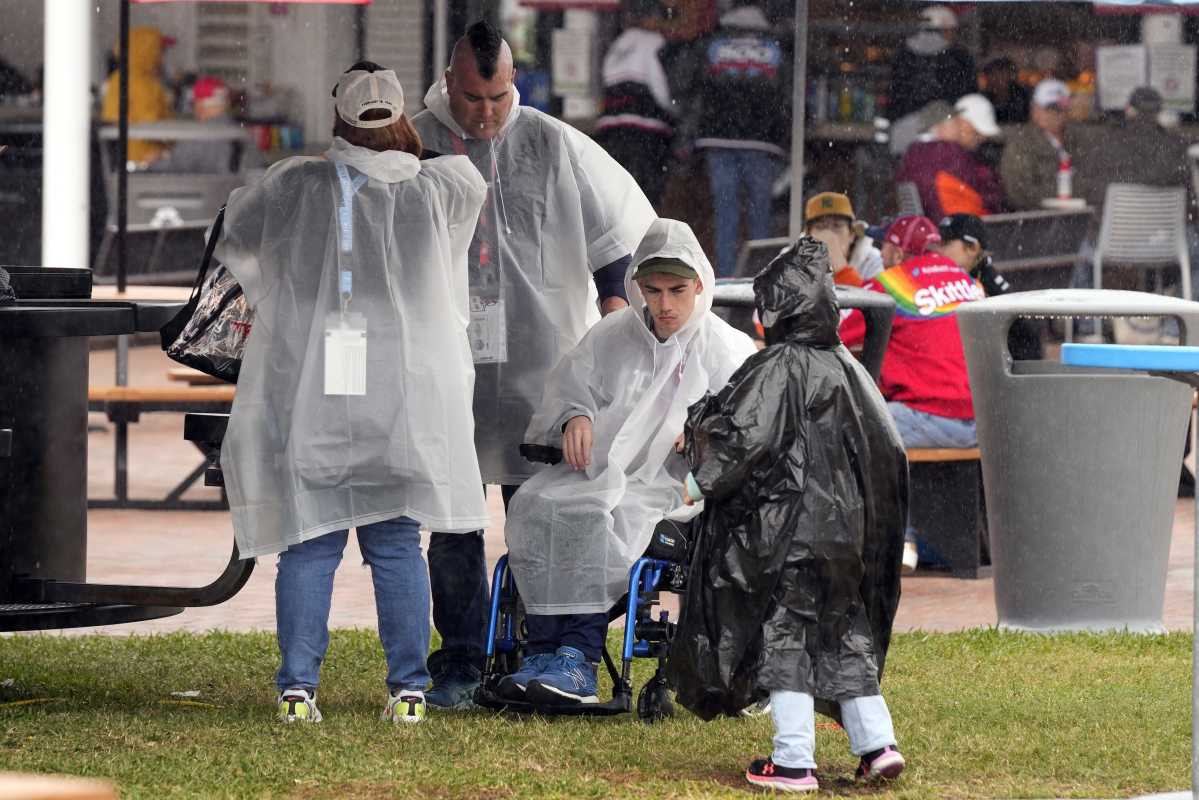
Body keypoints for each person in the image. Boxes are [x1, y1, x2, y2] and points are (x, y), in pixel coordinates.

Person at [214, 63, 489, 724]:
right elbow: (454, 167)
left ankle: (297, 687)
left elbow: (235, 228)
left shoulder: (298, 186)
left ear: (336, 118)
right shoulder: (442, 189)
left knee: (309, 542)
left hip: (321, 392)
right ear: (400, 118)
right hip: (405, 397)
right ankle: (409, 690)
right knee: (395, 542)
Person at [410, 21, 655, 708]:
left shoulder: (551, 141)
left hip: (539, 363)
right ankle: (459, 657)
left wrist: (615, 313)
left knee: (542, 512)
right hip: (446, 363)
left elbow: (614, 237)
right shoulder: (415, 140)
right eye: (471, 97)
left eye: (497, 96)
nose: (485, 112)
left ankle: (546, 647)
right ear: (448, 81)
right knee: (453, 522)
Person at [668, 236, 908, 792]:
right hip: (846, 541)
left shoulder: (776, 366)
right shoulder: (848, 370)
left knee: (787, 644)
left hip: (787, 539)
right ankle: (878, 744)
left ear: (778, 306)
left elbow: (742, 435)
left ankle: (793, 760)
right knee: (844, 635)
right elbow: (887, 450)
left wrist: (698, 478)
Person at [499, 218, 755, 705]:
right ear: (636, 286)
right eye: (653, 290)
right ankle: (542, 652)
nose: (664, 304)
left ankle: (578, 658)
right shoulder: (613, 335)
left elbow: (750, 424)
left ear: (700, 285)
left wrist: (704, 434)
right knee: (538, 504)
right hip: (598, 473)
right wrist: (575, 416)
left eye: (678, 290)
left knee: (603, 518)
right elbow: (572, 387)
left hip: (673, 488)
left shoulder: (724, 348)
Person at [840, 215, 982, 572]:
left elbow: (832, 331)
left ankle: (878, 549)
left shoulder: (891, 283)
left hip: (932, 416)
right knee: (888, 421)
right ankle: (930, 554)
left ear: (895, 250)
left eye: (884, 245)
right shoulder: (965, 280)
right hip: (981, 420)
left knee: (843, 429)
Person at [675, 0, 790, 278]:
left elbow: (686, 84)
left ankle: (725, 283)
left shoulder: (712, 44)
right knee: (760, 217)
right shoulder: (775, 48)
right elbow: (789, 93)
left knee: (726, 216)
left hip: (718, 136)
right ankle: (760, 282)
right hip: (762, 140)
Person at [594, 5, 676, 208]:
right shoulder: (655, 42)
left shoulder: (617, 45)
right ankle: (645, 236)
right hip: (645, 128)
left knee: (616, 193)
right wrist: (675, 110)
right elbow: (660, 88)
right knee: (647, 193)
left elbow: (604, 81)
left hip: (611, 128)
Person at [937, 213, 1042, 360]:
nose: (938, 251)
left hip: (997, 371)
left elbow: (1029, 336)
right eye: (938, 244)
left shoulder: (991, 286)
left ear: (972, 248)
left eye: (945, 243)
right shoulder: (948, 277)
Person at [896, 93, 1004, 222]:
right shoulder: (949, 155)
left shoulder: (914, 155)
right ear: (957, 123)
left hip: (933, 232)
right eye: (976, 132)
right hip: (957, 235)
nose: (981, 139)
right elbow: (990, 199)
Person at [886, 5, 976, 153]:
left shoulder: (902, 56)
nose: (953, 36)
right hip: (946, 134)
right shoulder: (959, 58)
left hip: (903, 135)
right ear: (942, 29)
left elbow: (894, 99)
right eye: (951, 31)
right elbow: (967, 99)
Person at [999, 79, 1078, 211]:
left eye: (1060, 109)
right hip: (1039, 222)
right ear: (1035, 110)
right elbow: (1018, 193)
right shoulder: (1021, 144)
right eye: (1050, 108)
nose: (1055, 114)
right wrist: (1067, 191)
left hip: (1076, 217)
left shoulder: (1076, 141)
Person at [101, 26, 174, 165]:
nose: (162, 60)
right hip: (146, 160)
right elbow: (153, 126)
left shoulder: (118, 78)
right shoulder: (142, 83)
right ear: (147, 52)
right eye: (160, 52)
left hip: (126, 159)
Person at [148, 75, 241, 174]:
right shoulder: (240, 129)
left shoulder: (198, 135)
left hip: (207, 188)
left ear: (200, 105)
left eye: (194, 104)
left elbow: (175, 166)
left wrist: (154, 162)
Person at [803, 191, 883, 286]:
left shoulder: (875, 261)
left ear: (851, 235)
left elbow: (879, 298)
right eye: (821, 227)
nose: (829, 236)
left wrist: (841, 269)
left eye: (837, 226)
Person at [980, 56, 1030, 125]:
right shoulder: (982, 99)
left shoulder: (1023, 96)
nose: (996, 78)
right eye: (992, 74)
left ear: (1011, 76)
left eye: (1002, 73)